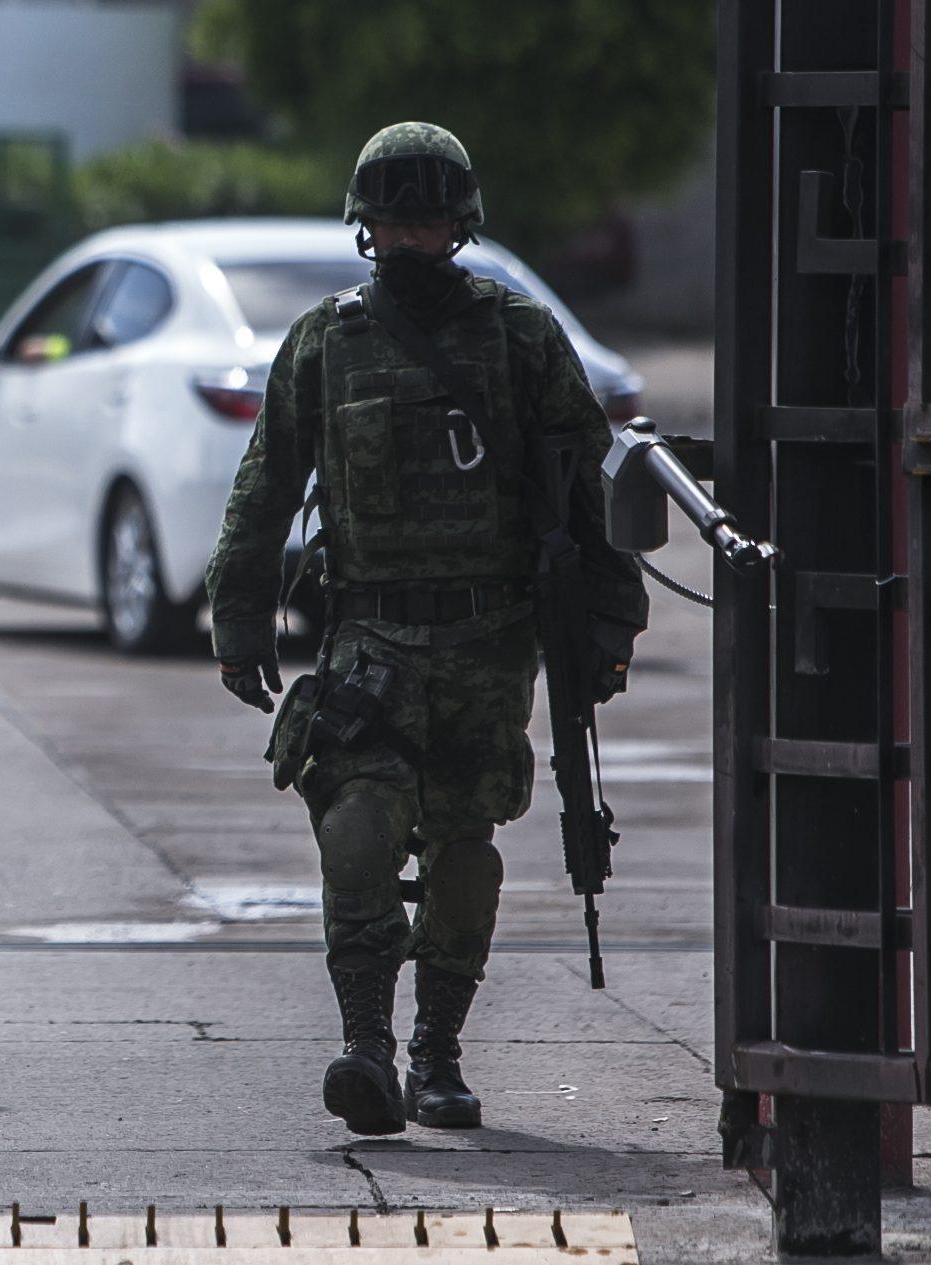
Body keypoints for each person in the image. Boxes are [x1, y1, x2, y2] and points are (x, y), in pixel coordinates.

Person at [205, 123, 647, 1136]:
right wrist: (241, 619)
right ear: (365, 230)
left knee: (462, 856)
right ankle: (367, 1045)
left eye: (427, 218)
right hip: (369, 637)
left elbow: (588, 486)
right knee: (354, 831)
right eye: (392, 219)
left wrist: (610, 625)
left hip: (490, 645)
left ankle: (438, 1053)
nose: (409, 236)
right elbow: (265, 483)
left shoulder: (523, 335)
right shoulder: (327, 338)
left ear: (460, 224)